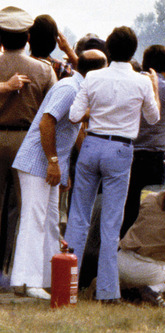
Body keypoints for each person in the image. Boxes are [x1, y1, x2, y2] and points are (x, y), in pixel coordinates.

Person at [64, 26, 160, 303]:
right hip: (120, 149)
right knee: (111, 223)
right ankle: (107, 291)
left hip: (92, 144)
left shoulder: (92, 77)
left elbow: (74, 115)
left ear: (108, 49)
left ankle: (68, 283)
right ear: (133, 51)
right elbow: (153, 119)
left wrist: (99, 112)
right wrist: (152, 88)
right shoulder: (141, 82)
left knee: (78, 217)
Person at [9, 50, 107, 299]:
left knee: (50, 222)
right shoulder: (69, 89)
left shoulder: (80, 89)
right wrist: (54, 162)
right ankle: (26, 282)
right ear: (96, 72)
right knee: (35, 220)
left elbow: (73, 130)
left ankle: (46, 279)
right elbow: (46, 123)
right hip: (36, 163)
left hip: (50, 165)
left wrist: (61, 169)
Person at [0, 6, 57, 275]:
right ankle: (17, 269)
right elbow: (54, 112)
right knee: (24, 209)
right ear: (27, 38)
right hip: (28, 141)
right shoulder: (44, 71)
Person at [120, 45, 165, 238]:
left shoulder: (130, 82)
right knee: (154, 208)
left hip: (127, 152)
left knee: (128, 208)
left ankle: (122, 246)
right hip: (153, 157)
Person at [118, 190, 165, 309]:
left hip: (120, 261)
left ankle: (130, 289)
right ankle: (155, 289)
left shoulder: (150, 198)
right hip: (147, 271)